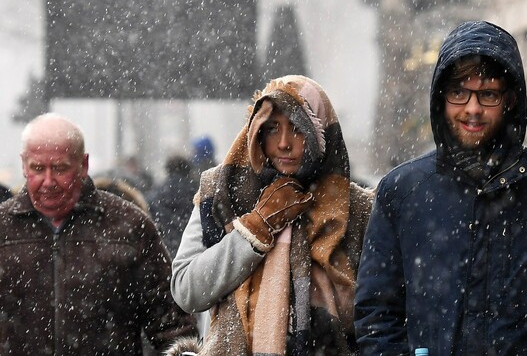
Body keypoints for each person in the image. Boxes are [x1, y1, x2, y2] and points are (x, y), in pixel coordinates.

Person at [354, 20, 527, 355]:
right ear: (441, 99)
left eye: (487, 94)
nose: (472, 109)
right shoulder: (402, 191)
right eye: (459, 92)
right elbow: (378, 316)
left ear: (510, 99)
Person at [169, 75, 374, 355]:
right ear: (256, 132)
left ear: (321, 135)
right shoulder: (223, 192)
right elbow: (187, 290)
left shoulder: (355, 208)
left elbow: (377, 310)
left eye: (298, 129)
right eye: (273, 128)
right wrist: (255, 229)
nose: (284, 143)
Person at [0, 113, 198, 354]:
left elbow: (171, 325)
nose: (48, 181)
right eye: (38, 168)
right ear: (23, 165)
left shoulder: (129, 226)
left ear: (83, 165)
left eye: (60, 168)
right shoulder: (3, 228)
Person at [147, 154, 198, 257]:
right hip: (191, 250)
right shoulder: (197, 192)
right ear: (188, 170)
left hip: (165, 249)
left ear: (167, 170)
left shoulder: (156, 193)